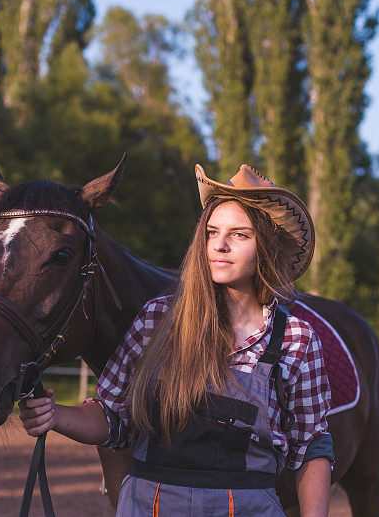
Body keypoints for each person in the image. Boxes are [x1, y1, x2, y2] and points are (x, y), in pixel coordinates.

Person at [19, 164, 334, 516]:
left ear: (267, 247)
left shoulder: (295, 339)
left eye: (239, 235)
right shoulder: (157, 319)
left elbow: (312, 446)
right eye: (212, 232)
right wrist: (54, 416)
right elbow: (112, 417)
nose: (221, 245)